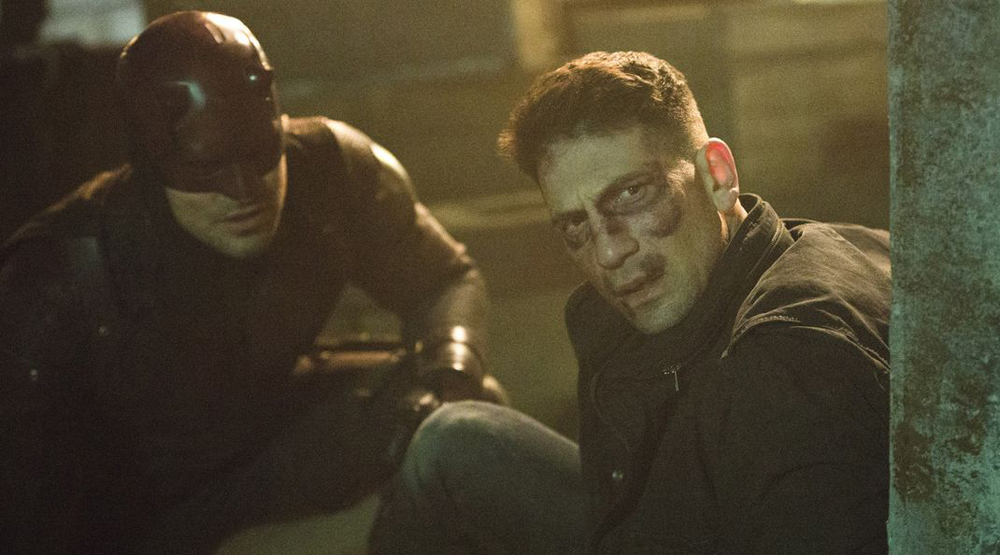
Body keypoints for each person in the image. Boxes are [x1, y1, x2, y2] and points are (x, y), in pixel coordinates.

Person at [0, 11, 500, 555]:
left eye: (260, 156)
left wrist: (452, 369)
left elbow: (443, 278)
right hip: (139, 507)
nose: (243, 192)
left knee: (467, 419)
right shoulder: (58, 278)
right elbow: (27, 501)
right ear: (151, 164)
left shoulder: (330, 168)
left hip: (271, 433)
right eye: (206, 169)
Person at [369, 51, 890, 555]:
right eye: (576, 224)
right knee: (455, 441)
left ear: (717, 176)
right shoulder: (810, 243)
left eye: (631, 194)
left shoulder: (781, 366)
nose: (608, 252)